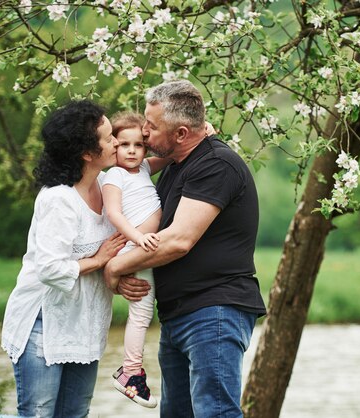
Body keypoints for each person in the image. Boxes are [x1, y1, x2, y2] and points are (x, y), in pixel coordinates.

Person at [104, 80, 267, 418]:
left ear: (180, 133)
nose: (144, 133)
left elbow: (179, 240)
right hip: (179, 314)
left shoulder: (216, 164)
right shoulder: (178, 164)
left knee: (215, 413)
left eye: (151, 126)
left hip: (214, 310)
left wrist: (114, 267)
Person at [1, 100, 126, 417]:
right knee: (39, 413)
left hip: (84, 325)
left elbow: (146, 157)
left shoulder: (105, 184)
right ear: (87, 153)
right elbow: (51, 269)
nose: (117, 142)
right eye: (109, 137)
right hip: (44, 324)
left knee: (75, 413)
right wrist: (99, 261)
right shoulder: (59, 198)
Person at [102, 111, 171, 409]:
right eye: (123, 144)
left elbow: (168, 158)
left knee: (144, 312)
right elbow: (115, 213)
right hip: (134, 248)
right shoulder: (113, 176)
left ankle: (131, 370)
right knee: (141, 316)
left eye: (138, 145)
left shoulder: (142, 168)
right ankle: (130, 372)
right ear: (113, 147)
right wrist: (137, 237)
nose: (131, 151)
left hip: (145, 249)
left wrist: (204, 134)